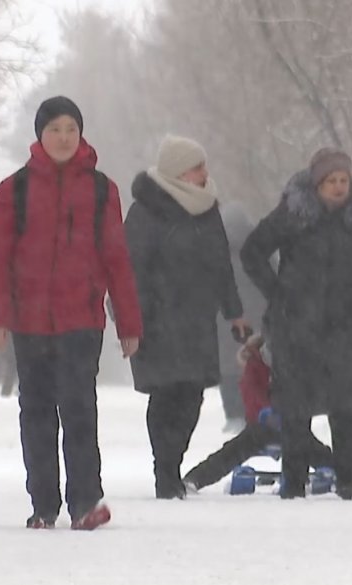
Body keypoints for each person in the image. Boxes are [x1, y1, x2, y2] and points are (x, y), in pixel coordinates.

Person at [0, 96, 143, 530]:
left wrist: (129, 323)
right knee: (36, 411)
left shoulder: (102, 190)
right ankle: (43, 505)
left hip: (81, 320)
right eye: (55, 129)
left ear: (81, 133)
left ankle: (86, 501)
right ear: (40, 135)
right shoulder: (14, 190)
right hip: (29, 321)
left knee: (79, 408)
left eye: (71, 129)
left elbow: (117, 260)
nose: (64, 137)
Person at [241, 148, 352, 500]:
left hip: (345, 326)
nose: (338, 187)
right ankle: (294, 481)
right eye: (331, 181)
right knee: (294, 405)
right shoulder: (294, 213)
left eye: (343, 181)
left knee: (346, 404)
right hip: (296, 324)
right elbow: (253, 250)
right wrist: (278, 293)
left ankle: (347, 479)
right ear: (317, 183)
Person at [124, 134, 249, 499]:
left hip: (197, 317)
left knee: (192, 395)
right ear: (179, 171)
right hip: (156, 319)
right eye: (197, 167)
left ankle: (173, 462)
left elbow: (220, 263)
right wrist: (129, 318)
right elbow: (130, 269)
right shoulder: (145, 212)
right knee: (165, 395)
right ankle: (165, 471)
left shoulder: (207, 209)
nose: (204, 173)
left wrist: (234, 310)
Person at [182, 332, 332, 492]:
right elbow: (252, 394)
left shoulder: (296, 367)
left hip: (291, 422)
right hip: (261, 425)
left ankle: (339, 472)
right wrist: (269, 412)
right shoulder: (254, 366)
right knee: (236, 449)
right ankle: (196, 479)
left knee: (308, 445)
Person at [215, 203, 267, 434]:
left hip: (226, 321)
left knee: (227, 369)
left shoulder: (215, 254)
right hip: (255, 319)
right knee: (252, 366)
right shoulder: (258, 252)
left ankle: (233, 414)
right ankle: (255, 411)